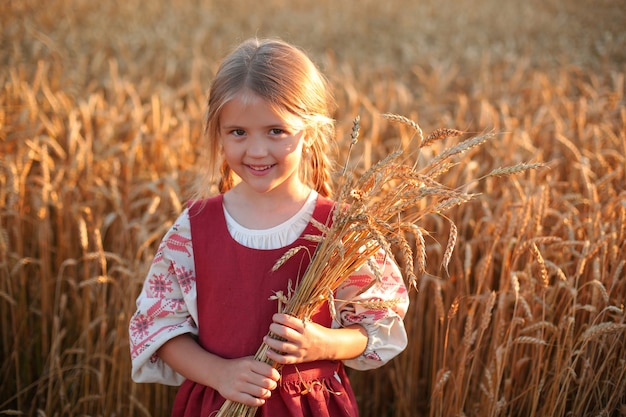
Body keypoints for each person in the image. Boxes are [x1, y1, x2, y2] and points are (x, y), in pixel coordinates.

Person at [129, 38, 409, 417]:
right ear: (218, 133)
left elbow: (381, 324)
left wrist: (323, 343)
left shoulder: (342, 230)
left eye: (275, 131)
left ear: (308, 131)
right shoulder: (194, 228)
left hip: (309, 407)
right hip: (217, 403)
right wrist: (220, 373)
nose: (256, 151)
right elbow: (158, 326)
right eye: (238, 133)